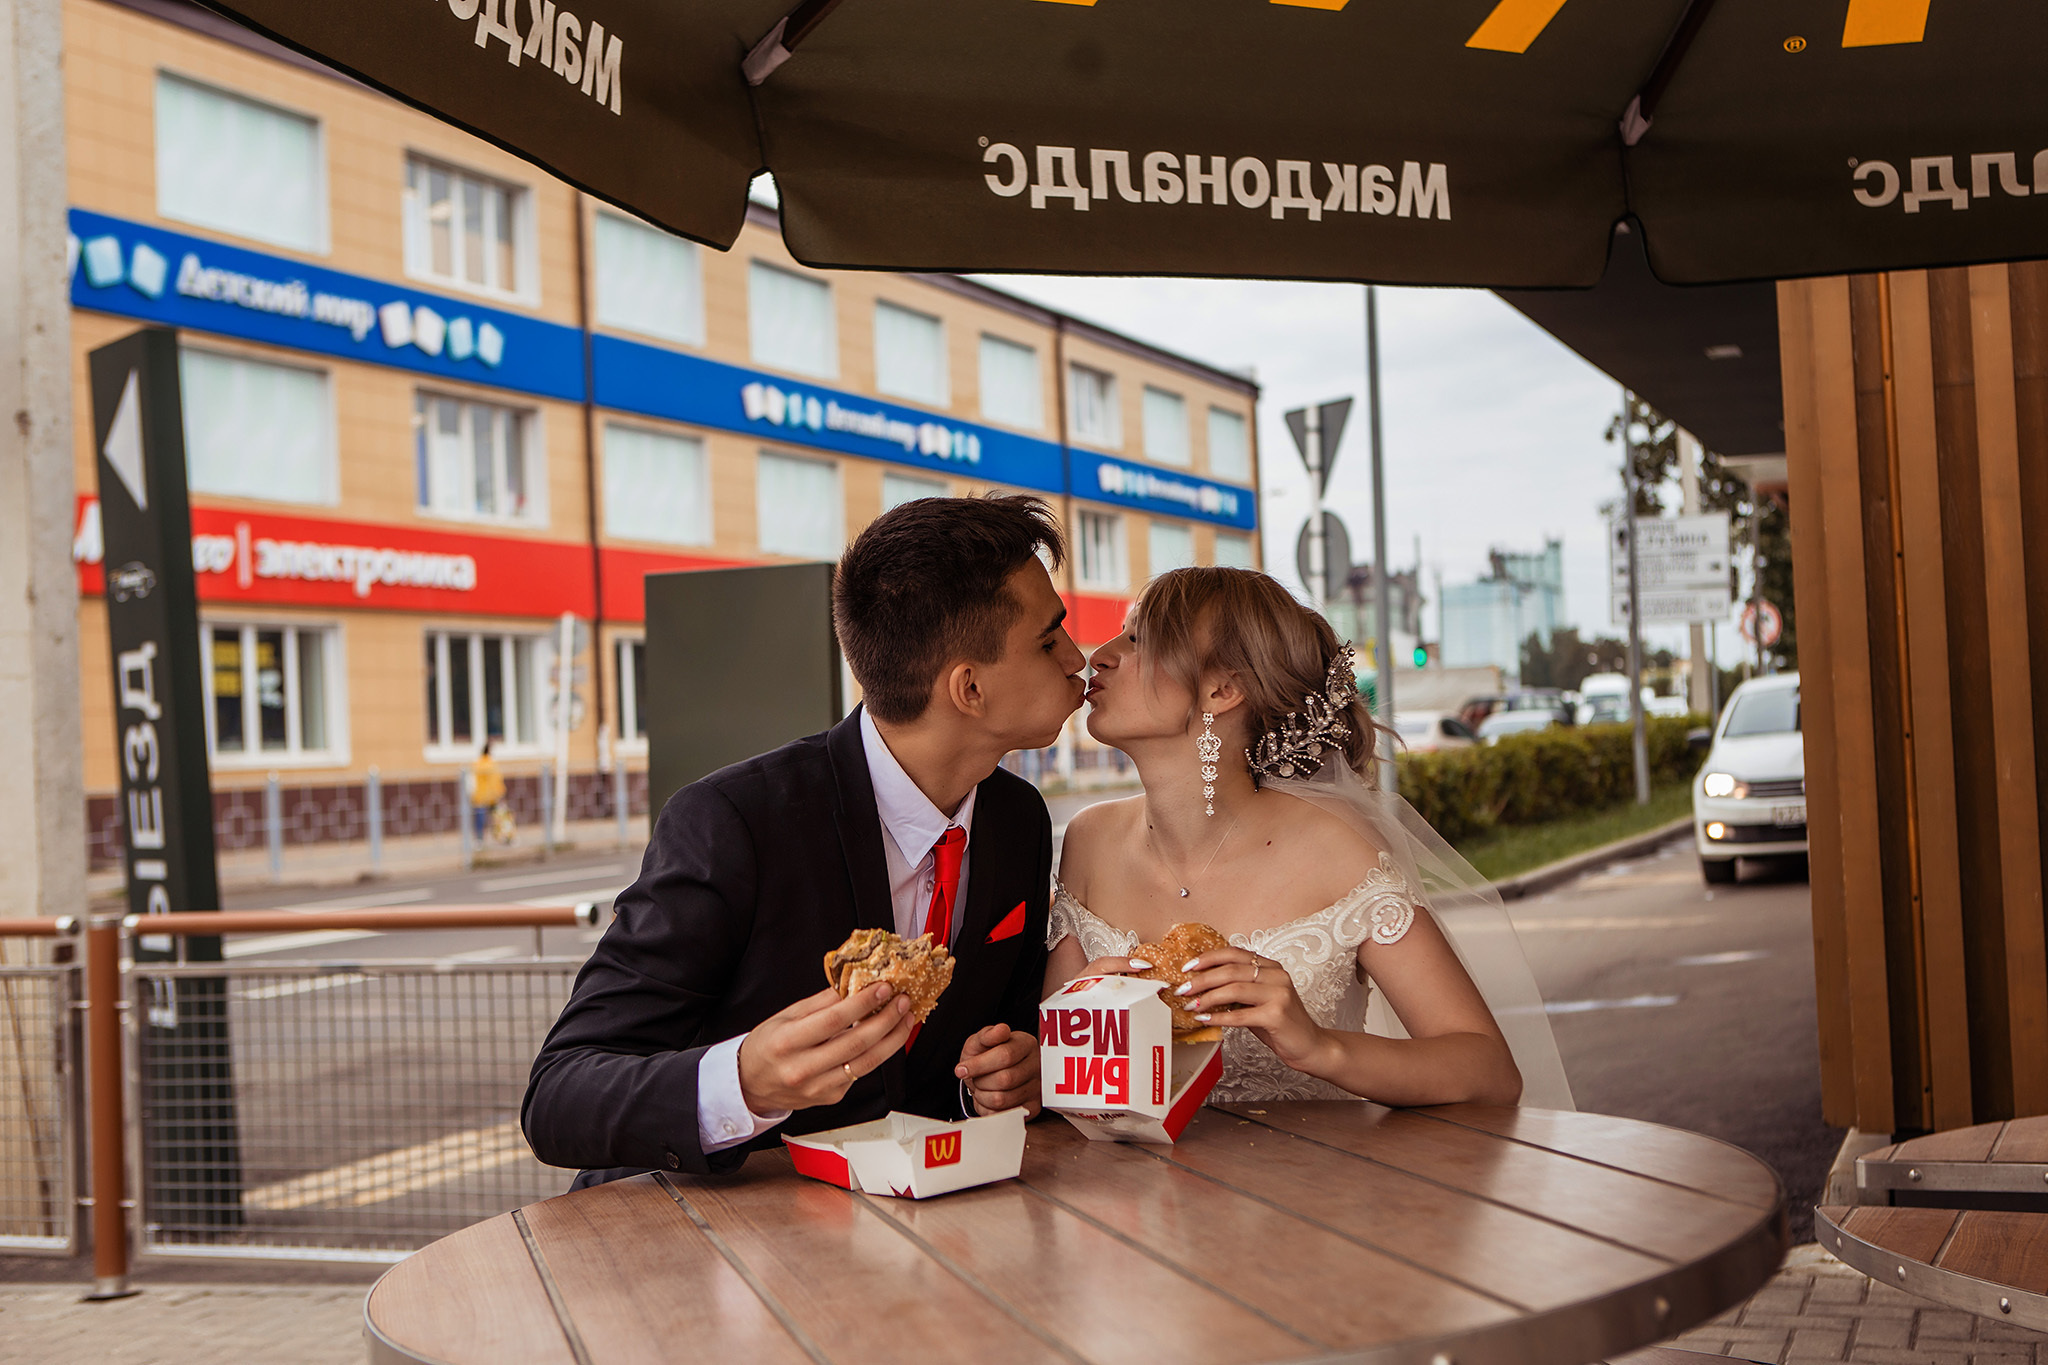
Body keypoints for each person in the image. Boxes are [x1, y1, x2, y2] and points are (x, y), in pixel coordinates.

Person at [524, 495, 1087, 1181]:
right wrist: (743, 1082)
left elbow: (992, 1046)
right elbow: (559, 1095)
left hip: (925, 1223)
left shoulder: (1018, 819)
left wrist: (1013, 1075)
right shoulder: (733, 821)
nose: (1077, 658)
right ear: (968, 689)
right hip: (700, 1228)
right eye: (1049, 640)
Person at [1049, 566, 1570, 1108]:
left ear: (1223, 689)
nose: (1100, 656)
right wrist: (1072, 1030)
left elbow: (1491, 1072)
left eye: (1140, 640)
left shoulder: (1339, 848)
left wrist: (1319, 1046)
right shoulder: (1089, 840)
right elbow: (1051, 1073)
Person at [470, 740, 505, 842]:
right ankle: (502, 836)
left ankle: (479, 838)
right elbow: (496, 780)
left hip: (480, 795)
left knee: (480, 818)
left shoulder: (477, 763)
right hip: (491, 795)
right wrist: (500, 793)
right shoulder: (491, 764)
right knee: (498, 817)